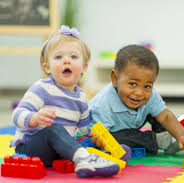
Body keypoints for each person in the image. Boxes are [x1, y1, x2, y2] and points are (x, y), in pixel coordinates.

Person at [10, 25, 120, 178]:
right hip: (30, 149)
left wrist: (97, 138)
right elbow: (17, 115)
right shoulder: (42, 88)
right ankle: (83, 159)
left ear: (84, 67)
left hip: (58, 152)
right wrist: (33, 118)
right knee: (54, 129)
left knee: (85, 139)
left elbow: (84, 130)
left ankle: (88, 158)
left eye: (73, 57)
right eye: (58, 57)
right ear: (47, 67)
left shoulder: (81, 97)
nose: (66, 61)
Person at [88, 44, 184, 155]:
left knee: (159, 112)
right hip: (114, 131)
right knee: (117, 139)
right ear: (115, 79)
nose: (139, 93)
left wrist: (181, 136)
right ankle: (157, 141)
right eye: (132, 84)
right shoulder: (102, 105)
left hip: (134, 122)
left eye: (147, 86)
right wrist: (100, 140)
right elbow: (98, 138)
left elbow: (166, 116)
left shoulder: (149, 95)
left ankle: (167, 137)